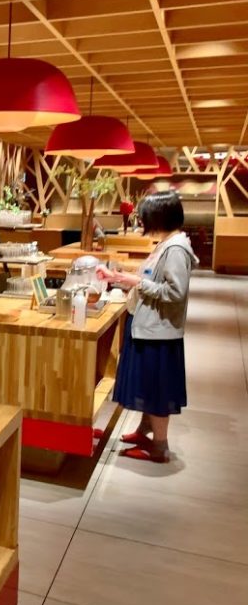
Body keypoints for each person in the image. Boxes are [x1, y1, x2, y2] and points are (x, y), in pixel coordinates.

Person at [96, 191, 197, 463]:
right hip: (148, 326)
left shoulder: (176, 249)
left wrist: (136, 282)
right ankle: (144, 430)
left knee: (157, 389)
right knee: (148, 384)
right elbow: (150, 278)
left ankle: (160, 447)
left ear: (160, 217)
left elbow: (175, 292)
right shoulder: (165, 243)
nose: (141, 221)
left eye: (145, 216)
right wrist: (118, 277)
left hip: (158, 331)